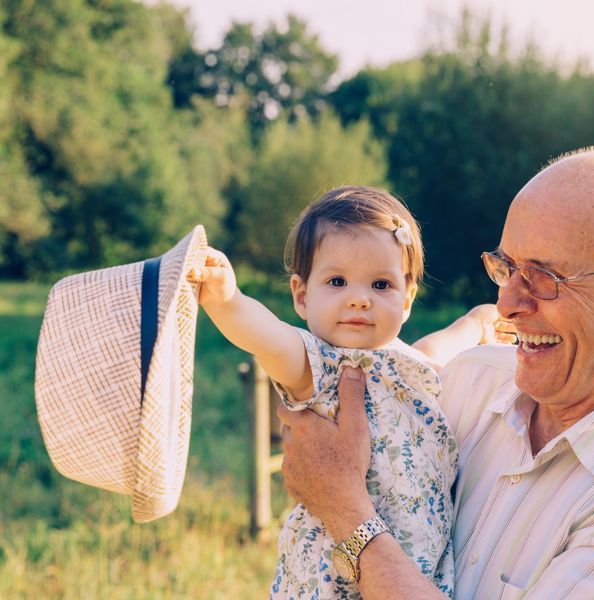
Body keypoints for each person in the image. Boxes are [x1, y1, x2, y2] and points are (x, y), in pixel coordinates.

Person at [278, 147, 594, 599]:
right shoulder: (467, 382)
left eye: (545, 277)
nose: (506, 304)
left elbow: (338, 486)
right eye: (506, 268)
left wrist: (345, 510)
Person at [189, 186, 510, 599]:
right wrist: (227, 300)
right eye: (337, 281)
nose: (359, 299)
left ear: (407, 298)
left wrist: (479, 321)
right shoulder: (317, 367)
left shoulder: (411, 365)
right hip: (335, 576)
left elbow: (445, 342)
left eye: (380, 285)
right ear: (302, 295)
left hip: (413, 572)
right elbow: (267, 338)